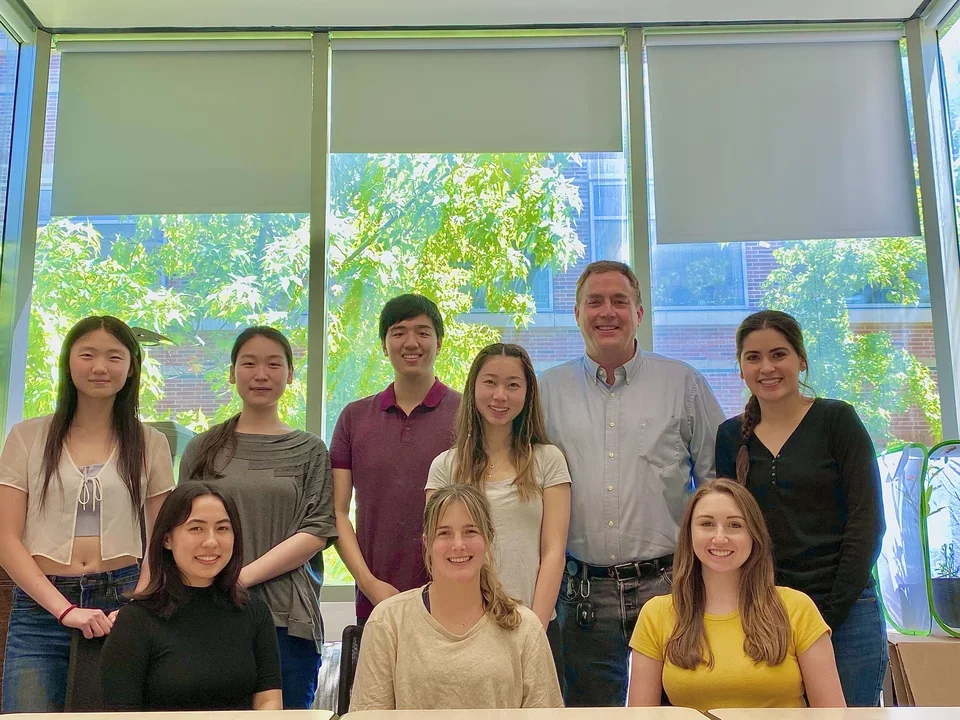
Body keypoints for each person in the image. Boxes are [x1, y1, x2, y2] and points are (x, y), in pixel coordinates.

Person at [537, 260, 726, 706]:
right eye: (594, 302)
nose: (607, 312)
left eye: (619, 301)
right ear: (577, 313)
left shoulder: (683, 383)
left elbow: (718, 486)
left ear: (639, 312)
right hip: (581, 596)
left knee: (678, 712)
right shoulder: (545, 391)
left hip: (671, 588)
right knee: (588, 715)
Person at [0, 315, 175, 713]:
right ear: (68, 362)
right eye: (88, 355)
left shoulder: (151, 443)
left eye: (115, 356)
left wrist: (135, 604)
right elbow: (6, 539)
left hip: (122, 602)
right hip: (40, 609)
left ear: (131, 367)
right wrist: (64, 609)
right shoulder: (27, 437)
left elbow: (160, 540)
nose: (100, 367)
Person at [715, 309, 886, 707]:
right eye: (753, 357)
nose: (767, 367)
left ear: (801, 360)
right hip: (767, 610)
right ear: (740, 368)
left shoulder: (836, 420)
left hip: (846, 611)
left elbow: (867, 522)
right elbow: (731, 532)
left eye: (779, 354)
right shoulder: (729, 437)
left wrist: (828, 612)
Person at [179, 326, 336, 710]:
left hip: (287, 619)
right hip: (210, 612)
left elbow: (316, 530)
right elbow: (181, 528)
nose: (261, 374)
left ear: (290, 375)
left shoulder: (310, 450)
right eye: (249, 363)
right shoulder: (203, 447)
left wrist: (242, 577)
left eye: (273, 364)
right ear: (233, 372)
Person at [628, 479, 846, 710]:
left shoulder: (798, 609)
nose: (720, 537)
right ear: (689, 535)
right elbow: (641, 716)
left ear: (754, 535)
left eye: (734, 525)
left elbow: (833, 714)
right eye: (707, 524)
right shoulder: (656, 615)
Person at [351, 484, 563, 711]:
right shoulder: (388, 622)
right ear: (427, 544)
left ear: (488, 539)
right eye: (444, 533)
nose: (458, 545)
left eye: (470, 531)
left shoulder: (525, 627)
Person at [425, 343, 570, 662]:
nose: (500, 395)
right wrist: (459, 627)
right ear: (473, 387)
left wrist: (535, 628)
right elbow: (438, 551)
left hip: (533, 624)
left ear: (528, 393)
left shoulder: (548, 461)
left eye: (513, 385)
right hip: (462, 630)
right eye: (490, 382)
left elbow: (553, 551)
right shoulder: (446, 467)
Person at [331, 294, 460, 625]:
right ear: (384, 345)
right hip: (376, 600)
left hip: (453, 597)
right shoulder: (354, 417)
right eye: (399, 332)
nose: (411, 342)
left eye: (423, 331)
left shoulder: (467, 414)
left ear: (439, 342)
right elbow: (338, 512)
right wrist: (368, 583)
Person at [101, 483, 282, 710]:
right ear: (167, 539)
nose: (211, 542)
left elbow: (268, 700)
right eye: (196, 528)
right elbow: (120, 713)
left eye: (223, 529)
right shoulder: (136, 619)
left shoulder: (254, 611)